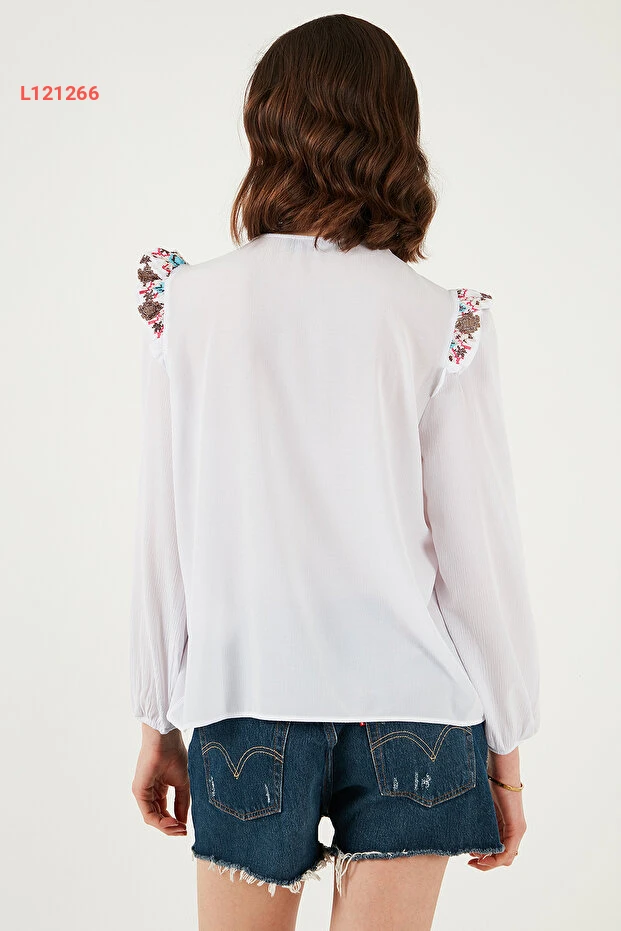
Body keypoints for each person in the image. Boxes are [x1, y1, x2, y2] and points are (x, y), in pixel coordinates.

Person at [129, 13, 541, 931]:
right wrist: (505, 758)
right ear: (396, 136)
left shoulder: (185, 305)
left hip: (244, 696)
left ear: (266, 126)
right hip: (420, 711)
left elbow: (166, 530)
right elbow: (478, 560)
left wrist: (158, 718)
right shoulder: (437, 318)